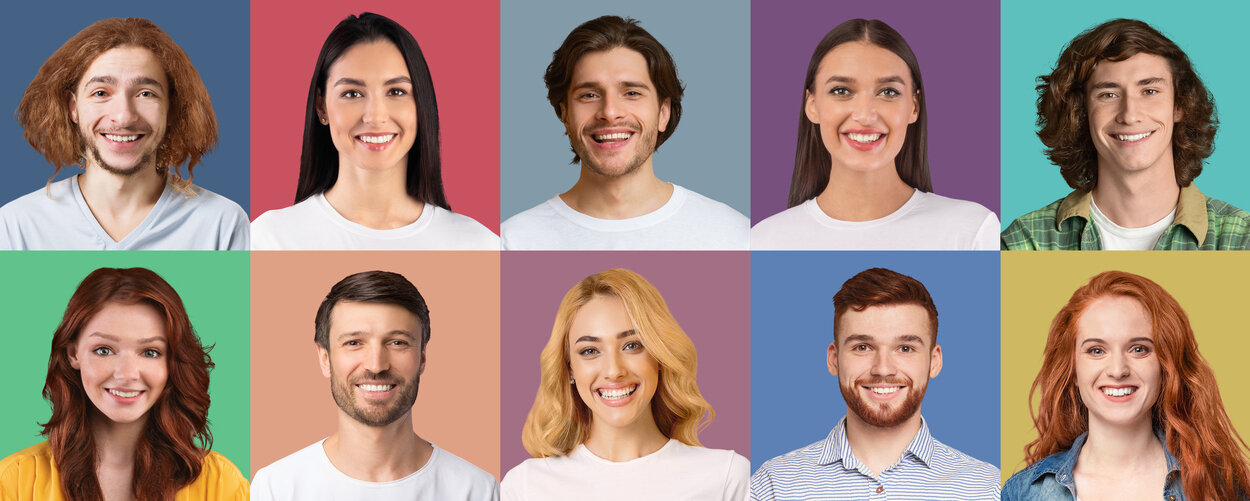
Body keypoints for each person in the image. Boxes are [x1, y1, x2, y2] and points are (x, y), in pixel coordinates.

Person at [250, 13, 499, 250]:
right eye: (352, 94)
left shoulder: (479, 246)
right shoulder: (267, 240)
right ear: (321, 106)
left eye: (396, 92)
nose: (375, 116)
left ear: (421, 104)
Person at [500, 16, 748, 250]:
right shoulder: (514, 242)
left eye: (631, 93)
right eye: (589, 95)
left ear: (663, 112)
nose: (609, 112)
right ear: (564, 114)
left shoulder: (733, 236)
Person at [0, 18, 249, 250]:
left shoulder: (222, 224)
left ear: (171, 108)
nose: (124, 116)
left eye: (145, 93)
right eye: (100, 93)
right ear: (73, 107)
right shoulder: (18, 227)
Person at [1001, 19, 1250, 250]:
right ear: (1081, 112)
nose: (1130, 115)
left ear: (1179, 105)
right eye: (1108, 95)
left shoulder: (1240, 239)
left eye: (1150, 91)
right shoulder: (1027, 241)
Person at [0, 267, 247, 500]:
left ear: (172, 361)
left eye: (150, 352)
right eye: (104, 350)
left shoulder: (222, 483)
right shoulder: (14, 481)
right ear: (73, 353)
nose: (127, 374)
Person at [750, 19, 998, 250]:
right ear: (812, 105)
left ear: (914, 107)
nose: (865, 116)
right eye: (841, 90)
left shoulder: (971, 231)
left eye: (888, 92)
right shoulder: (765, 241)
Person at [752, 268, 999, 499]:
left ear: (934, 362)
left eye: (905, 348)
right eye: (862, 347)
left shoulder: (987, 487)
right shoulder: (774, 485)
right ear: (834, 359)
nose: (883, 369)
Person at [501, 268, 748, 499]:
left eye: (632, 346)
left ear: (660, 356)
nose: (614, 371)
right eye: (589, 351)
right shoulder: (526, 485)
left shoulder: (726, 476)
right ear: (569, 369)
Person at [1002, 271, 1250, 500]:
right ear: (1073, 370)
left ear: (1166, 367)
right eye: (1096, 350)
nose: (1118, 370)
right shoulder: (1022, 492)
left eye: (1139, 349)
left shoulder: (1221, 486)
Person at [251, 271, 498, 500]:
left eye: (398, 343)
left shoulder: (477, 490)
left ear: (422, 357)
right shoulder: (276, 487)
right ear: (325, 359)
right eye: (354, 342)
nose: (376, 365)